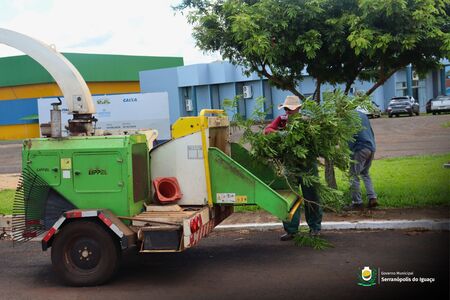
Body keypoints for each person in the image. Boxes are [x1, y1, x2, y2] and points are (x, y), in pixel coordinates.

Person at [264, 95, 322, 241]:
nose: (288, 111)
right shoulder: (281, 120)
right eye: (286, 109)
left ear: (299, 108)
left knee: (311, 196)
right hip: (290, 164)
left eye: (291, 109)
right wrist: (282, 134)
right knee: (290, 197)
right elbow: (267, 130)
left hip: (307, 164)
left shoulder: (307, 122)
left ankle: (315, 228)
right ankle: (291, 230)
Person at [345, 110, 378, 210]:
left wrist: (348, 152)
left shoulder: (346, 117)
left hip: (360, 148)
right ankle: (372, 198)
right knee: (365, 173)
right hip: (370, 147)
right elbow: (371, 132)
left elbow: (350, 136)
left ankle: (357, 203)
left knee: (353, 175)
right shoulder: (362, 115)